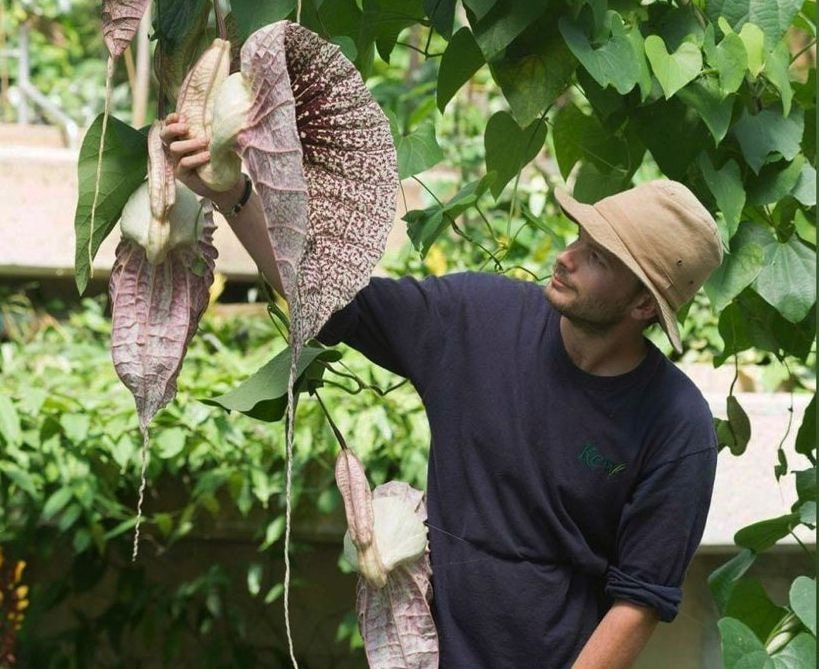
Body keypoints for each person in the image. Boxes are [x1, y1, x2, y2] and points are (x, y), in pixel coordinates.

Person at [162, 113, 723, 668]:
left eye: (597, 258)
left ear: (643, 305)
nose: (566, 257)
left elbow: (639, 601)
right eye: (579, 238)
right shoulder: (477, 318)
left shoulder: (677, 425)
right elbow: (333, 298)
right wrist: (235, 192)